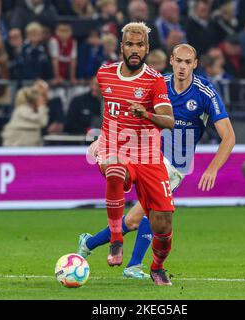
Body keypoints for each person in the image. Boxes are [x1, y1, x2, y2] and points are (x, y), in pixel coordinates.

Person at [78, 44, 235, 282]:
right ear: (171, 60)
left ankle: (90, 244)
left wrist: (212, 169)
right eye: (178, 61)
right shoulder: (157, 83)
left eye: (187, 62)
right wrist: (103, 139)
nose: (182, 67)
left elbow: (229, 137)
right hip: (147, 155)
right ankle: (132, 265)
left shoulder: (205, 92)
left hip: (176, 165)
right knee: (142, 212)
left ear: (195, 64)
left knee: (134, 218)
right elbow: (124, 113)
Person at [87, 22, 177, 286]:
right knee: (114, 169)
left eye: (140, 45)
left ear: (147, 48)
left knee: (163, 225)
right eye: (130, 44)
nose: (134, 50)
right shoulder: (104, 73)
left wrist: (146, 114)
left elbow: (169, 120)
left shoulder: (154, 79)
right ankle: (116, 239)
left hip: (149, 156)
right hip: (115, 149)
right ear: (122, 47)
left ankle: (157, 266)